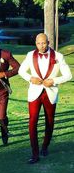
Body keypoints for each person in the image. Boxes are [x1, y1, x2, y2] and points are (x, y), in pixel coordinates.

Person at [19, 33, 72, 164]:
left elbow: (68, 75)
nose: (41, 46)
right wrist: (31, 78)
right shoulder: (30, 55)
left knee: (49, 121)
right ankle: (35, 153)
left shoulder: (58, 56)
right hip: (34, 93)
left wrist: (53, 80)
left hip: (50, 92)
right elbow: (21, 71)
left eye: (44, 43)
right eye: (38, 43)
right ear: (35, 43)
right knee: (32, 122)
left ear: (48, 42)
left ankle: (45, 147)